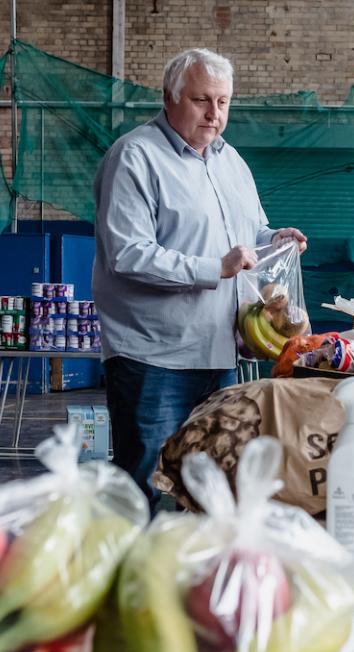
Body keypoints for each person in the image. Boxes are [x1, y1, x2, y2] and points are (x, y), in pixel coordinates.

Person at [92, 47, 306, 510]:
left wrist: (276, 239)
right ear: (170, 98)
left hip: (220, 354)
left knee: (213, 484)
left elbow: (250, 234)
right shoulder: (134, 157)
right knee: (145, 484)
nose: (214, 113)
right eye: (201, 100)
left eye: (223, 102)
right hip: (153, 357)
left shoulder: (232, 163)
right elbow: (127, 254)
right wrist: (215, 268)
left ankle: (197, 575)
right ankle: (133, 573)